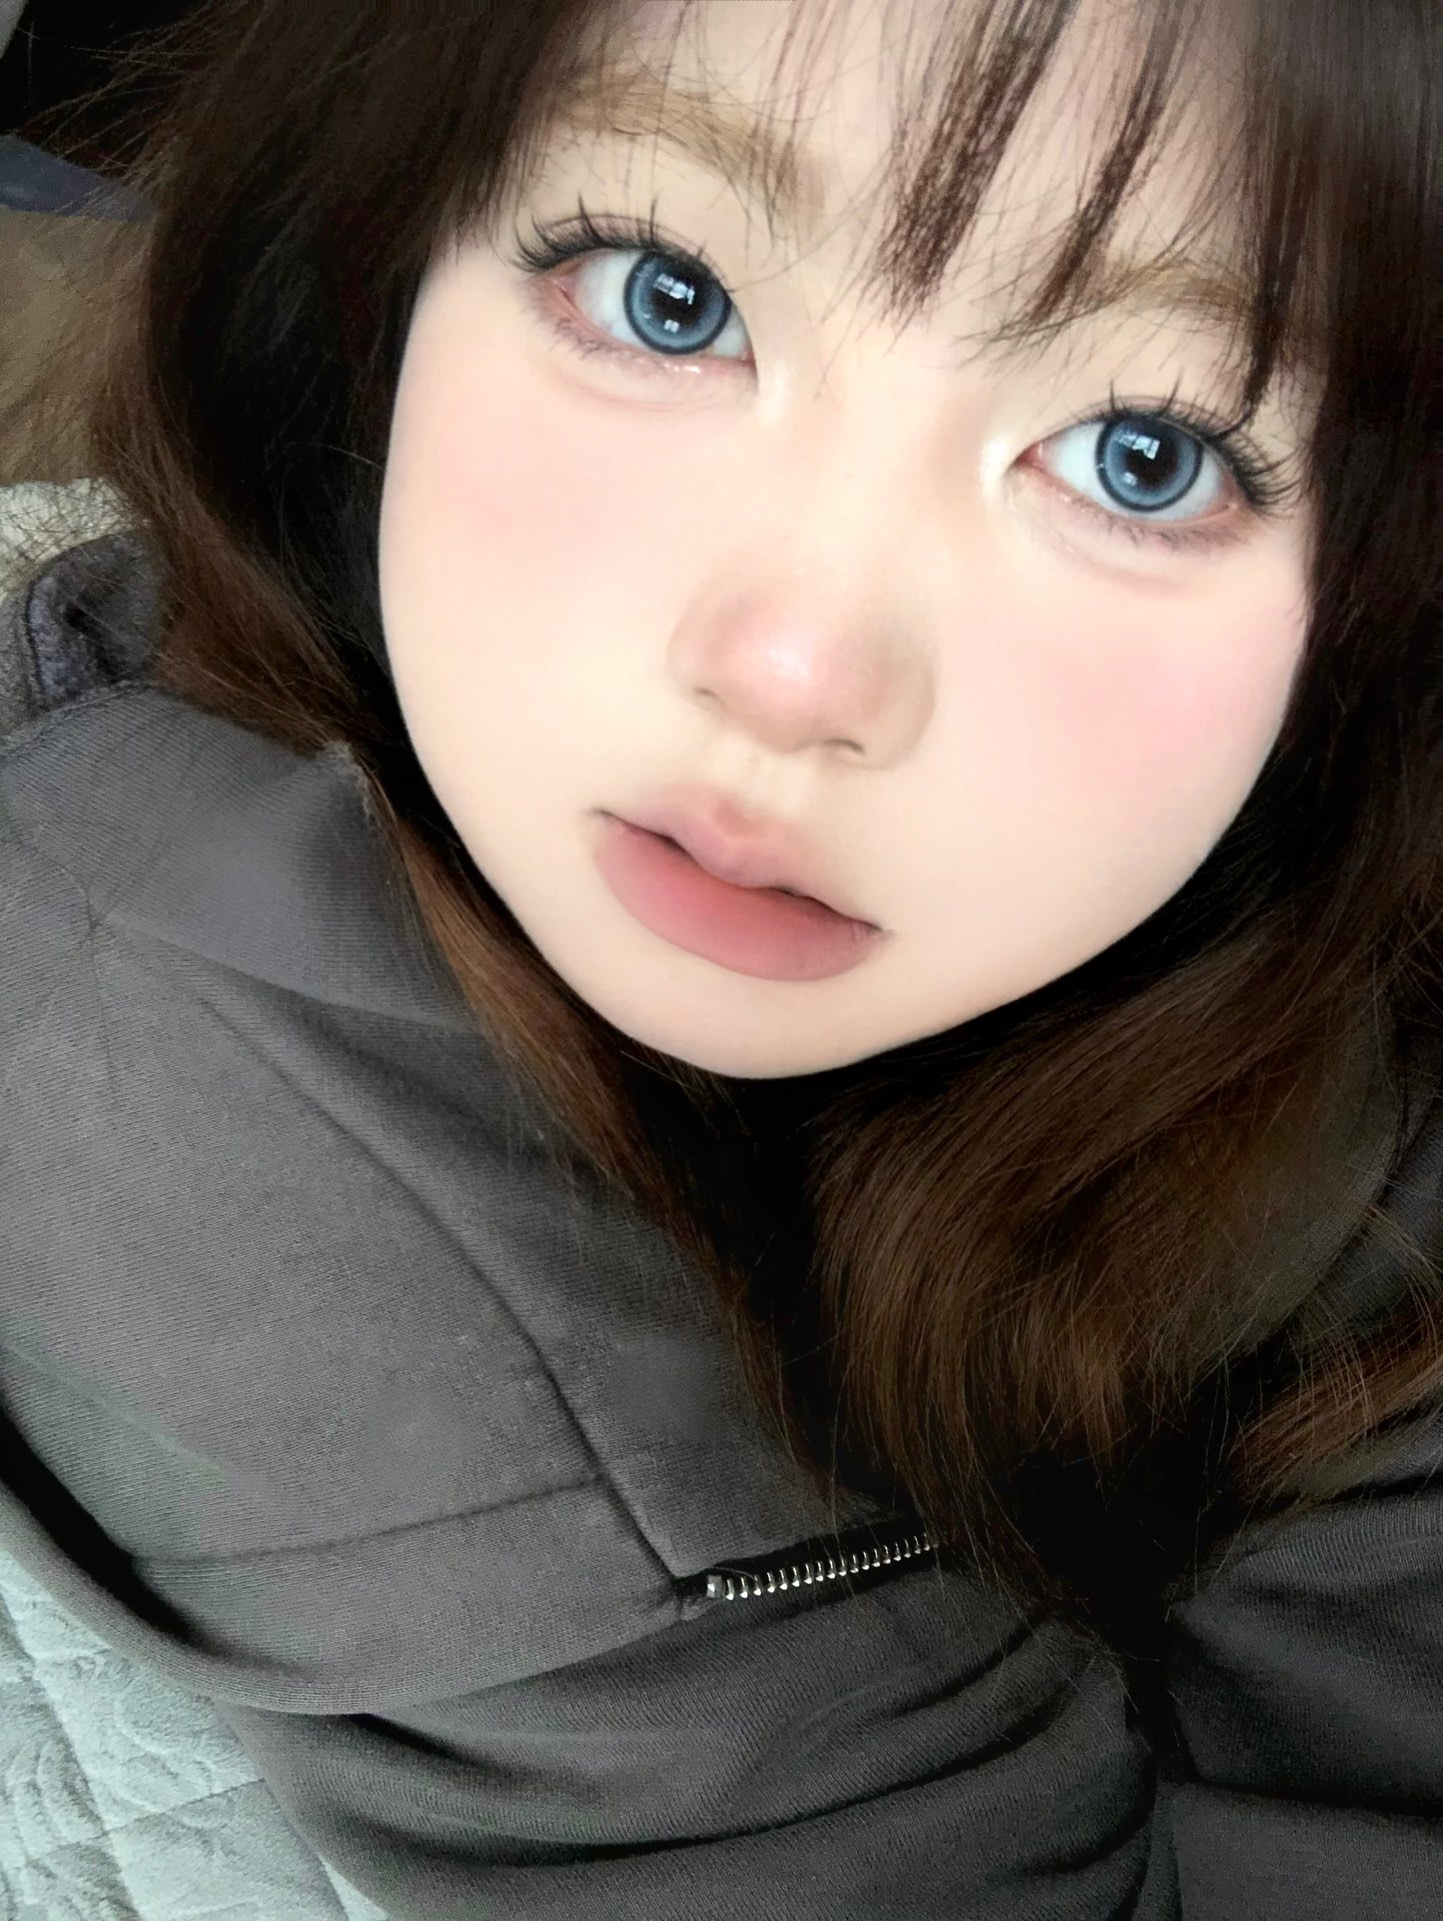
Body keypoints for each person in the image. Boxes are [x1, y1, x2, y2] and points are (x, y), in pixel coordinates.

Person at [1, 0, 1441, 1914]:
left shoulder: (1299, 921)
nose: (791, 669)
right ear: (380, 258)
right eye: (667, 296)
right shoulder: (171, 1044)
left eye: (1145, 455)